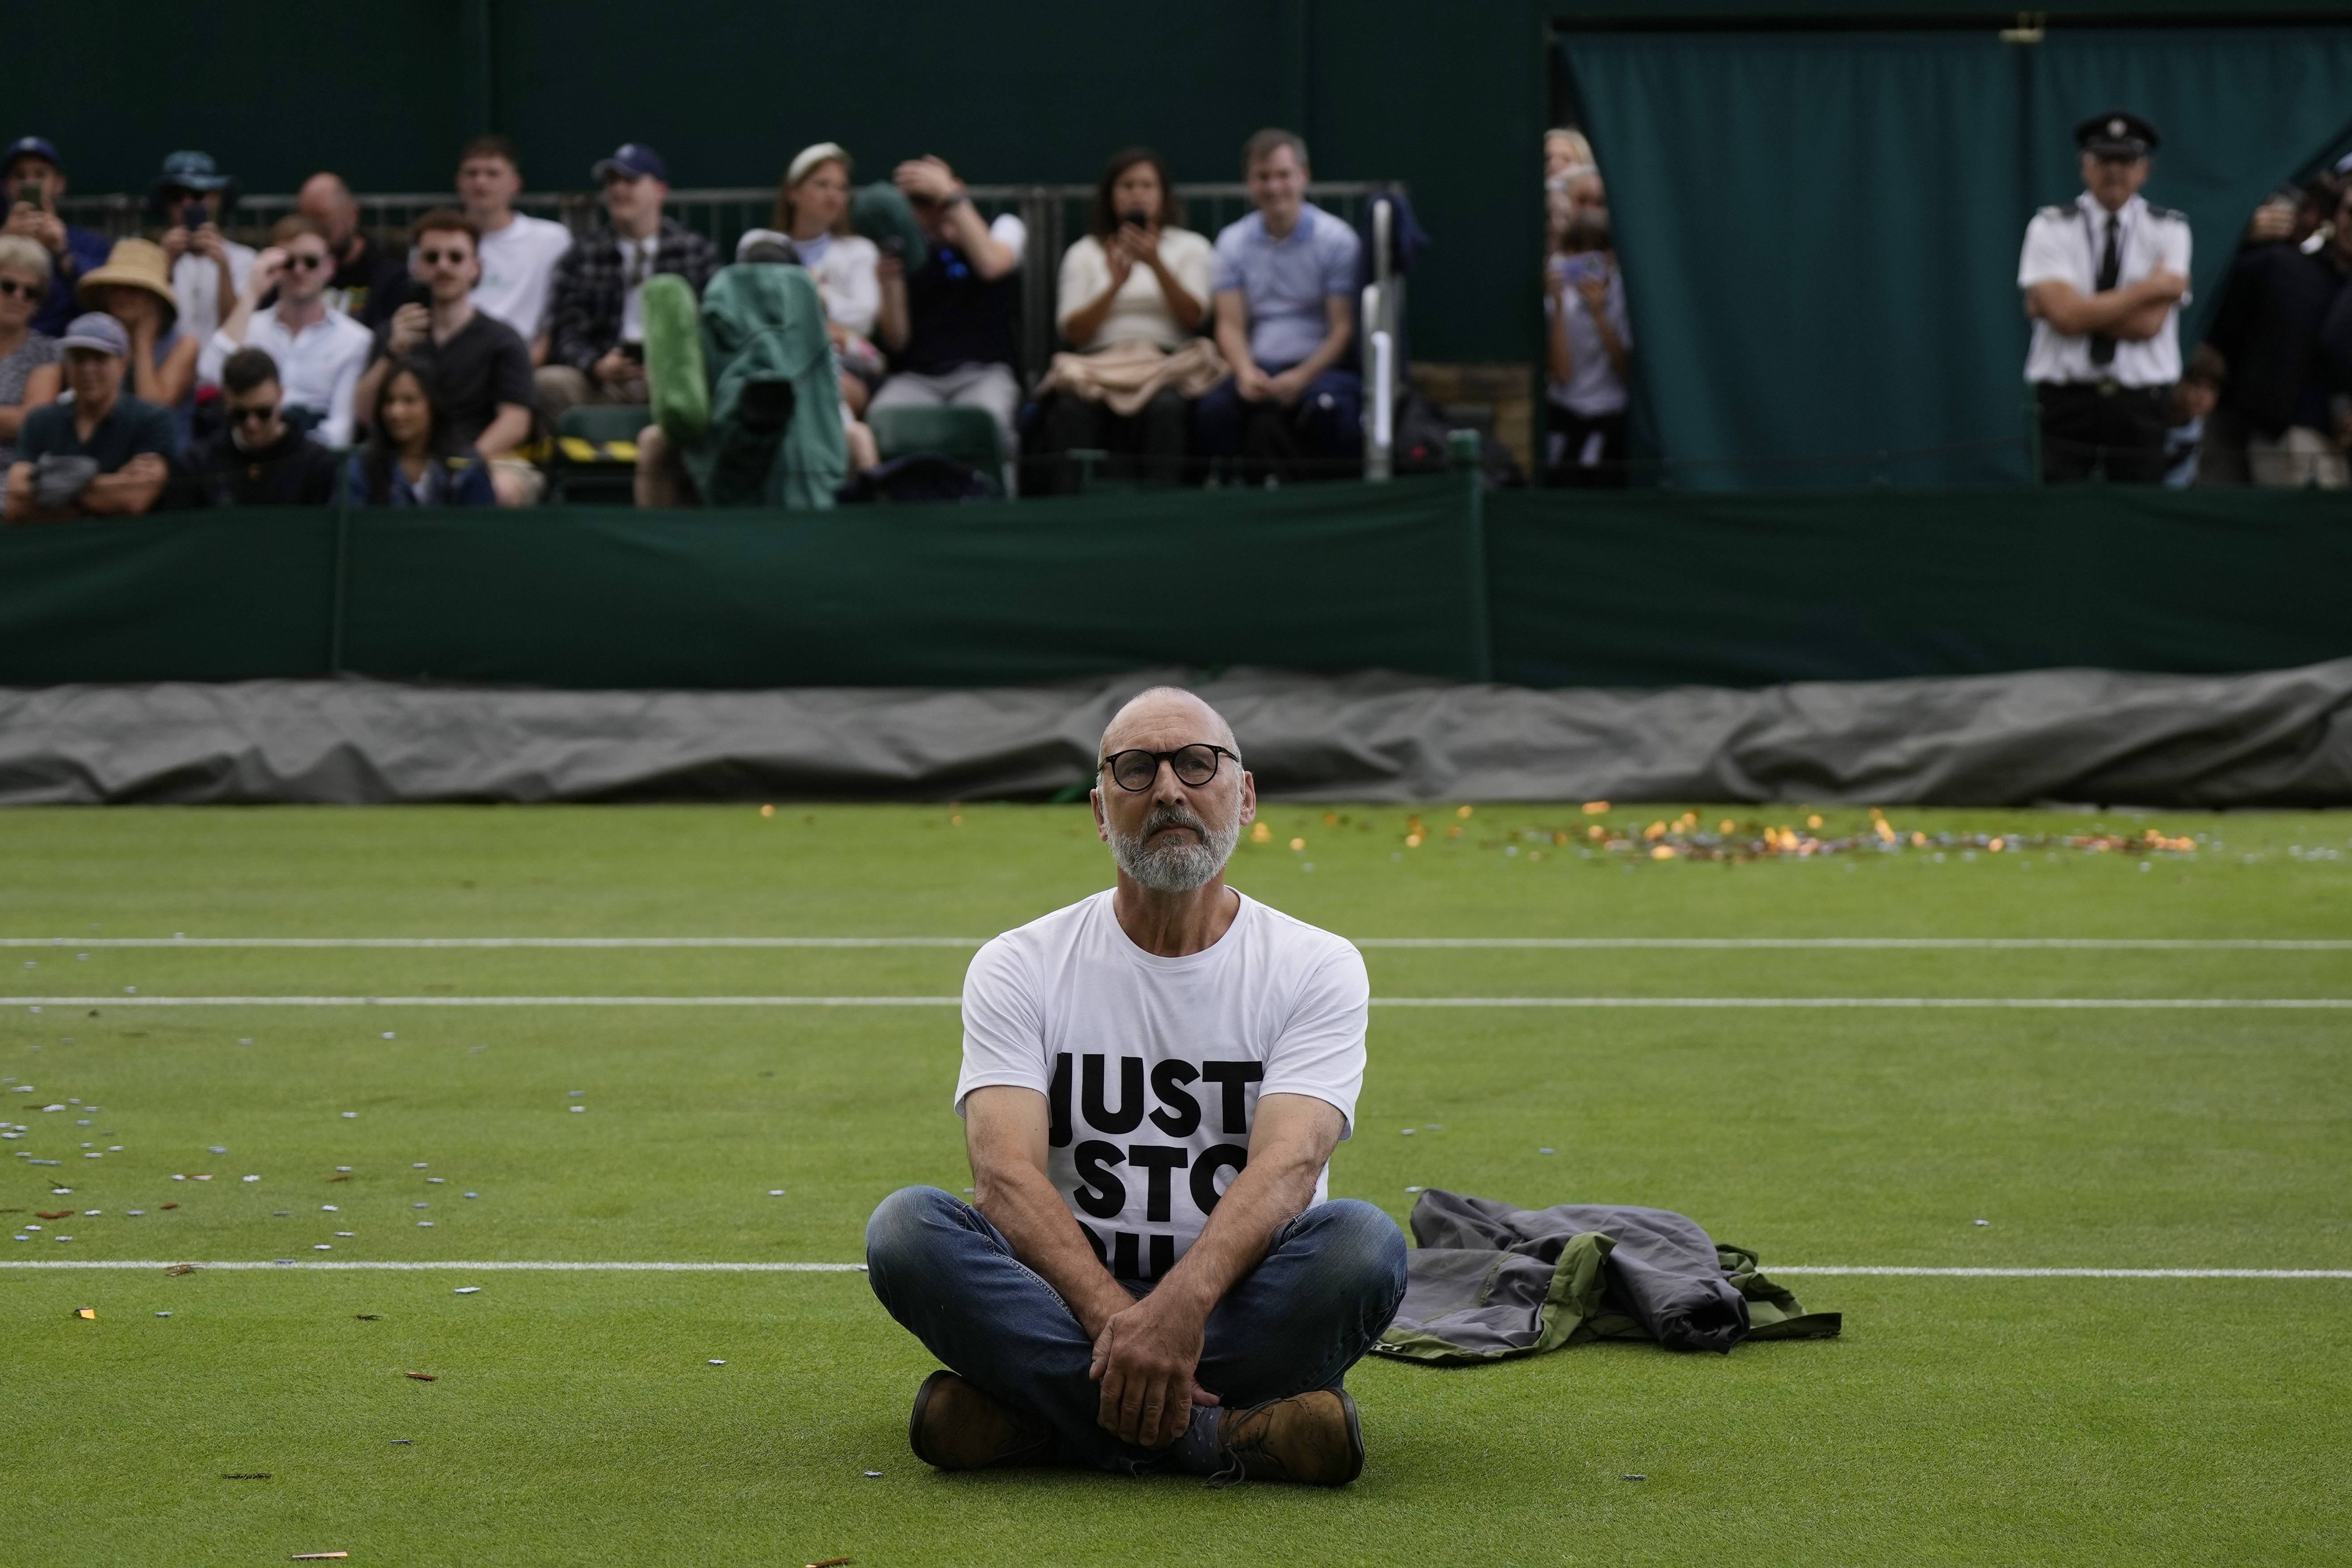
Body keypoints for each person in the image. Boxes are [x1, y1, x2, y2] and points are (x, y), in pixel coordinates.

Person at [865, 686, 1405, 1485]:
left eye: (1196, 763)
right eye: (1135, 769)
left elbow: (1291, 1168)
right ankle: (1217, 1435)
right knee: (907, 1229)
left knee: (1363, 1245)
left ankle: (1045, 1422)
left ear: (1245, 794)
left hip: (1238, 1298)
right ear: (1098, 807)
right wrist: (1124, 1325)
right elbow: (1004, 1177)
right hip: (1063, 1299)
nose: (1167, 790)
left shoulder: (1314, 964)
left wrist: (1179, 1314)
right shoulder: (1021, 963)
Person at [2017, 111, 2192, 484]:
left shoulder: (2171, 229)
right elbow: (2066, 318)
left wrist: (2072, 309)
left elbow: (2148, 325)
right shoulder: (2049, 227)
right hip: (2066, 403)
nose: (2115, 171)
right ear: (2085, 165)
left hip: (2140, 405)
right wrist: (2151, 289)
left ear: (2145, 168)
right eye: (2104, 160)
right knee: (2061, 521)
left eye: (2126, 161)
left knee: (2137, 523)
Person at [1033, 147, 1216, 493]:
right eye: (1127, 185)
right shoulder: (1084, 253)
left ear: (1163, 195)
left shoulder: (1192, 247)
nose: (1138, 194)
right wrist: (1114, 286)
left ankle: (1163, 517)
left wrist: (1156, 264)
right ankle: (1068, 517)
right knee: (1069, 410)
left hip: (1166, 365)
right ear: (1110, 195)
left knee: (1168, 409)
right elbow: (1073, 331)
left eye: (1148, 185)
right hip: (1098, 366)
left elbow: (1195, 317)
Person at [1197, 130, 1363, 481]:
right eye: (1263, 177)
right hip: (1258, 368)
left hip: (1323, 373)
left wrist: (1303, 377)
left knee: (1329, 411)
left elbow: (1343, 329)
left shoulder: (1338, 241)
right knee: (1214, 412)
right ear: (1249, 183)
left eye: (1283, 175)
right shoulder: (1232, 242)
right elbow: (1230, 324)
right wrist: (1244, 373)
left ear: (1304, 176)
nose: (1274, 188)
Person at [356, 211, 540, 506]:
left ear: (476, 268)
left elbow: (516, 421)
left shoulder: (502, 338)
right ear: (416, 266)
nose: (443, 267)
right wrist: (391, 354)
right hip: (399, 457)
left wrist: (465, 466)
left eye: (456, 257)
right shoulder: (391, 334)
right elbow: (365, 414)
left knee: (501, 489)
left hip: (484, 456)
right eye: (431, 258)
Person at [870, 153, 1028, 494]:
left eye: (938, 198)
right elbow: (897, 341)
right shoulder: (902, 248)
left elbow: (991, 265)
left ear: (959, 191)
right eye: (922, 203)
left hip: (984, 372)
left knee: (990, 421)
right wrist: (890, 285)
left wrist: (950, 197)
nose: (934, 210)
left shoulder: (1003, 227)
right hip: (917, 378)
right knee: (881, 419)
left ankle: (1001, 512)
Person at [538, 143, 719, 429]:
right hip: (604, 385)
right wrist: (596, 365)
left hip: (674, 384)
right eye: (612, 182)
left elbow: (713, 328)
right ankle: (577, 470)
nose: (619, 190)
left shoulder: (695, 252)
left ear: (660, 190)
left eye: (631, 181)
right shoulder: (583, 255)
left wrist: (671, 368)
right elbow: (566, 333)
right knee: (549, 383)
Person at [2202, 177, 2352, 489]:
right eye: (2350, 212)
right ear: (2335, 215)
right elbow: (2216, 329)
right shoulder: (2278, 265)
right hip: (2272, 440)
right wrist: (2238, 235)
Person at [209, 218, 374, 447]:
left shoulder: (356, 340)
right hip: (248, 448)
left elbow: (340, 431)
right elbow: (209, 374)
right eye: (288, 262)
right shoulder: (250, 325)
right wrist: (252, 293)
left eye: (311, 261)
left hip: (314, 463)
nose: (299, 270)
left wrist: (289, 457)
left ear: (331, 267)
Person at [4, 313, 172, 523]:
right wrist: (110, 487)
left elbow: (134, 499)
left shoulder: (152, 419)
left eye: (100, 358)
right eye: (79, 359)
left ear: (123, 363)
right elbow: (16, 502)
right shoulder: (40, 421)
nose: (88, 369)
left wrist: (50, 485)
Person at [772, 143, 884, 415]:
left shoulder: (860, 250)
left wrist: (807, 307)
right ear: (793, 192)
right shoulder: (765, 246)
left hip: (844, 364)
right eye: (822, 185)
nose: (833, 196)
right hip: (777, 359)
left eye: (841, 188)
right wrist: (820, 319)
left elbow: (865, 315)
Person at [77, 238, 199, 454]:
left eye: (132, 288)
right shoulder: (97, 344)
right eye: (114, 287)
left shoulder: (185, 345)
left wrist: (143, 342)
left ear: (156, 297)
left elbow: (153, 410)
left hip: (167, 464)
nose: (121, 295)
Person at [456, 134, 572, 361]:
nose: (481, 182)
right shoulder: (439, 242)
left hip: (522, 361)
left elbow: (559, 317)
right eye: (472, 173)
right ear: (459, 181)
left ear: (515, 184)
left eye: (493, 174)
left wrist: (527, 367)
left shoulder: (552, 240)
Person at [179, 346, 342, 506]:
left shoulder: (317, 464)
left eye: (263, 412)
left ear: (280, 396)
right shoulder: (198, 463)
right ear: (226, 401)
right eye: (240, 414)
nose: (252, 424)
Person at [1543, 209, 1632, 487]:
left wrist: (1599, 314)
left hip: (1611, 419)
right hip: (1566, 415)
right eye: (1577, 251)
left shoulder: (1625, 297)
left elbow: (1627, 371)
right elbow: (1562, 374)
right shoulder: (1559, 298)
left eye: (1596, 251)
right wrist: (1558, 308)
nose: (1586, 261)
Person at [148, 151, 255, 360]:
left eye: (197, 195)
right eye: (176, 196)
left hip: (222, 377)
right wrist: (165, 266)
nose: (187, 204)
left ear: (216, 198)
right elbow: (147, 325)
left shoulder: (244, 259)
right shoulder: (151, 258)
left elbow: (236, 329)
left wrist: (223, 267)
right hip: (165, 373)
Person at [344, 360, 496, 506]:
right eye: (389, 401)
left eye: (409, 400)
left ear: (433, 405)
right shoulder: (360, 467)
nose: (397, 412)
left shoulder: (466, 468)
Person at [2, 137, 110, 338]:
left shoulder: (90, 244)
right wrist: (5, 243)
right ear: (7, 186)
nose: (30, 183)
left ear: (59, 184)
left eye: (40, 175)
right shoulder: (3, 237)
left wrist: (63, 253)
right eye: (20, 176)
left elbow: (105, 304)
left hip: (67, 354)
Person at [297, 172, 411, 328]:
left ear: (352, 215)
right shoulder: (294, 272)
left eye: (323, 221)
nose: (315, 232)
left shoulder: (390, 277)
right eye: (306, 222)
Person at [0, 235, 61, 469]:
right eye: (8, 286)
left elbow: (31, 422)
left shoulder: (47, 352)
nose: (19, 296)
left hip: (14, 475)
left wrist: (16, 419)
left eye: (31, 292)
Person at [2162, 345, 2224, 489]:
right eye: (2195, 384)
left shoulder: (2201, 434)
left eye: (2212, 389)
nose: (2202, 396)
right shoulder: (2149, 422)